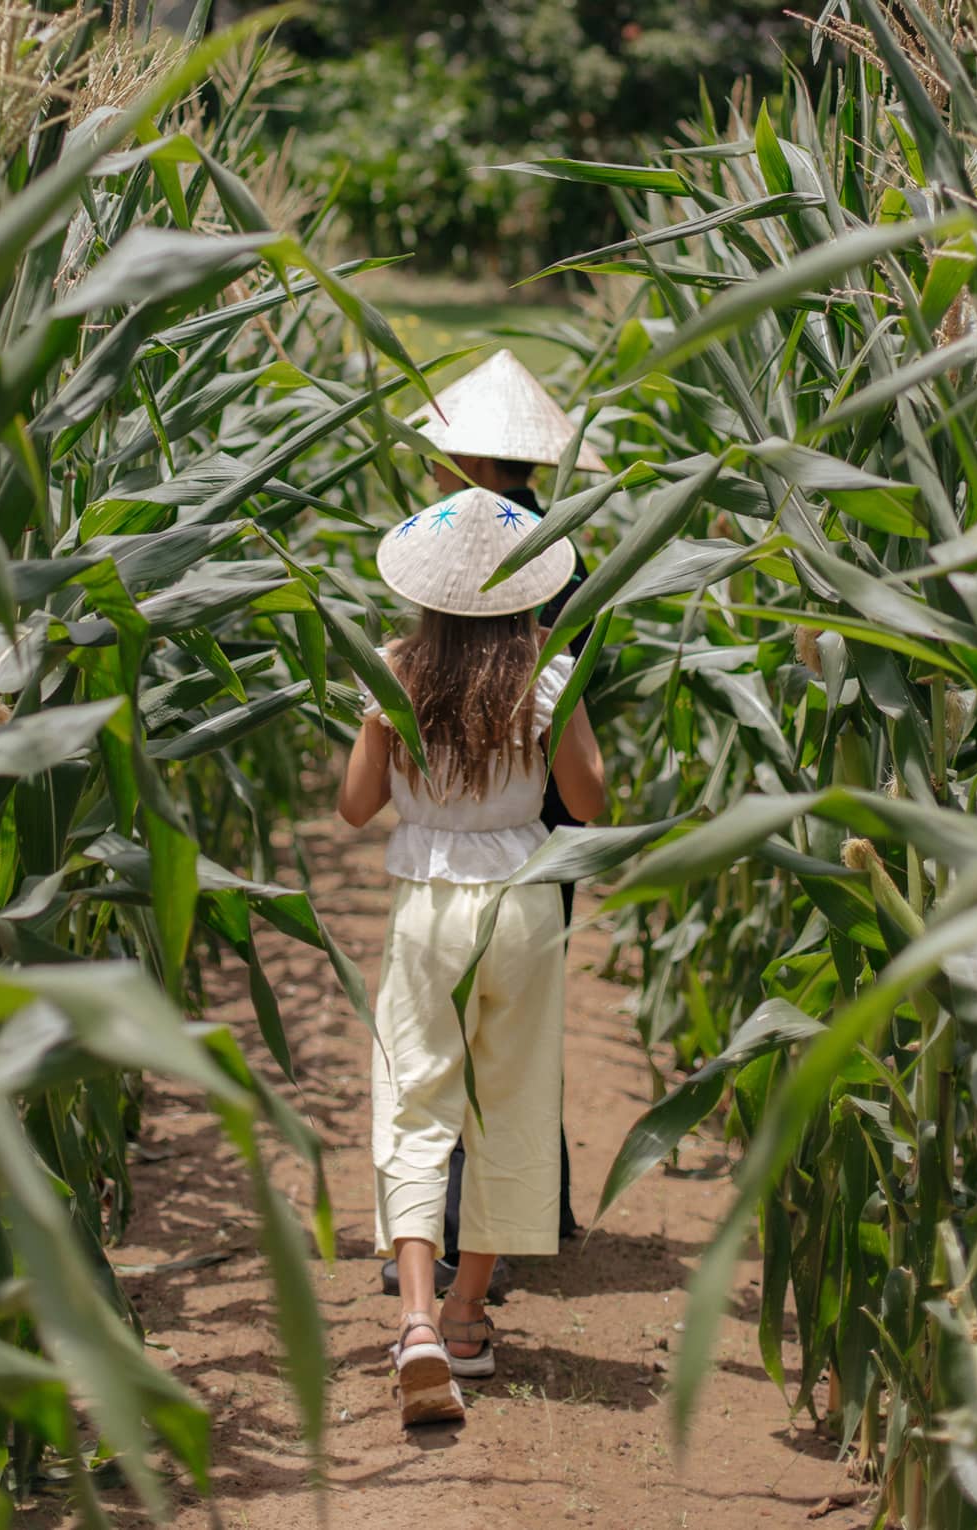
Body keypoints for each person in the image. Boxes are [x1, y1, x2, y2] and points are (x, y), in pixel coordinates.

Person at [338, 485, 607, 1427]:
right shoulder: (546, 675)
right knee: (510, 1098)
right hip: (523, 906)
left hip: (427, 907)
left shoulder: (396, 671)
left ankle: (413, 1319)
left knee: (415, 1099)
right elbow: (588, 801)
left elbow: (355, 807)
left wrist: (383, 721)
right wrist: (564, 697)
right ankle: (465, 1316)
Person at [376, 349, 607, 1299]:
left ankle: (444, 1248)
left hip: (473, 843)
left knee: (440, 1056)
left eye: (440, 460)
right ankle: (521, 1226)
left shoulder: (499, 559)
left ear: (474, 462)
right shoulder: (565, 555)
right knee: (516, 1042)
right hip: (534, 837)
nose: (431, 473)